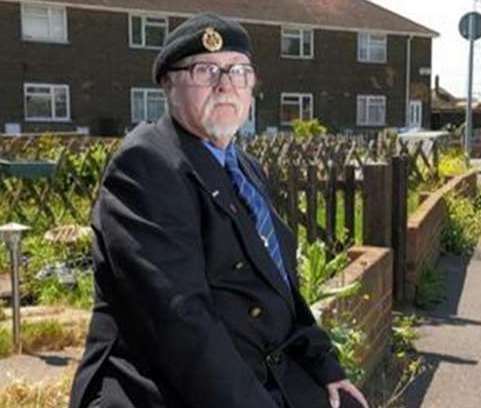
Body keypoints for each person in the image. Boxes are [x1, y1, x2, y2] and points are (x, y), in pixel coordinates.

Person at [69, 12, 369, 408]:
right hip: (164, 389)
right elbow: (182, 324)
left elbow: (279, 285)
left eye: (239, 71)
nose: (226, 85)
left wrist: (326, 367)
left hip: (258, 370)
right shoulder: (146, 164)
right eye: (205, 70)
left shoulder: (244, 167)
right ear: (169, 85)